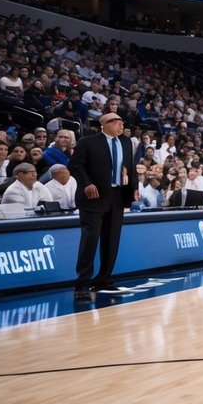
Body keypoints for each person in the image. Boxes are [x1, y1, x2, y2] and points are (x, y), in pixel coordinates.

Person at [68, 112, 135, 298]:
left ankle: (103, 279)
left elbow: (130, 167)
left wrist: (133, 188)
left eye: (122, 121)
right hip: (94, 197)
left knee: (111, 240)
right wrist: (87, 184)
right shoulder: (87, 142)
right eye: (115, 121)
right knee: (90, 239)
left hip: (117, 196)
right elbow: (75, 166)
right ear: (103, 124)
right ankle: (82, 284)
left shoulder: (127, 142)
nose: (120, 125)